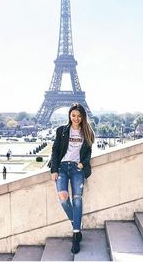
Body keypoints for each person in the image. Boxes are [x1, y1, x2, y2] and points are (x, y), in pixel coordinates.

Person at [50, 103, 95, 254]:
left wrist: (83, 163)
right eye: (73, 115)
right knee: (63, 197)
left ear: (83, 117)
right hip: (62, 167)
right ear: (69, 115)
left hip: (77, 169)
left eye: (79, 116)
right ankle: (76, 222)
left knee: (77, 199)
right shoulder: (62, 131)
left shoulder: (87, 132)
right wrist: (54, 169)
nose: (76, 118)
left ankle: (76, 234)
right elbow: (55, 150)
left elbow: (88, 152)